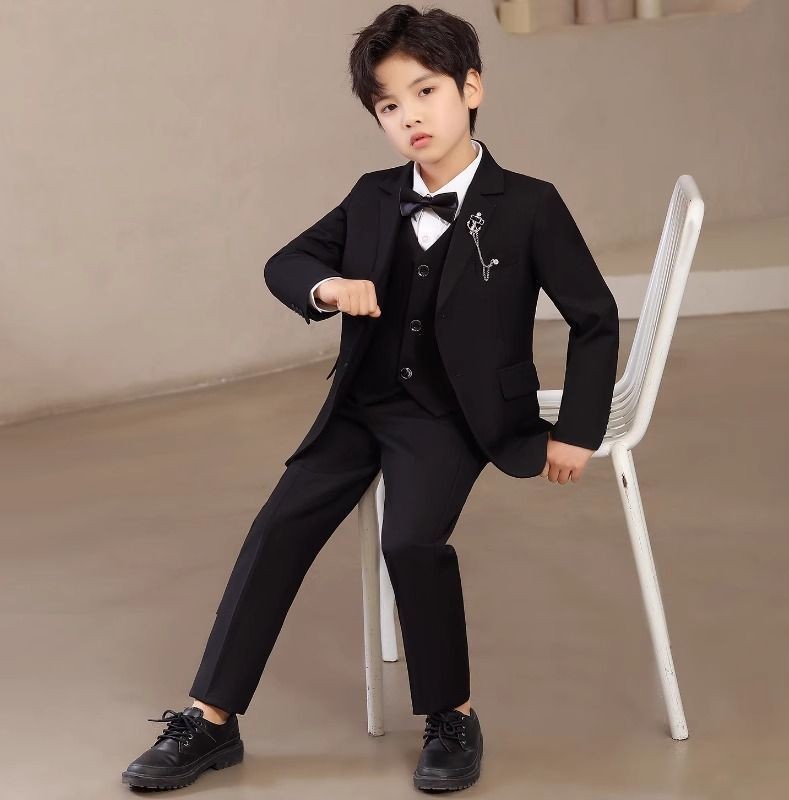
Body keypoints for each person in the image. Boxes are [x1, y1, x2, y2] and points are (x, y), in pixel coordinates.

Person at [122, 3, 619, 793]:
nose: (409, 117)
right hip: (362, 407)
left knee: (411, 541)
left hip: (453, 418)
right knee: (277, 528)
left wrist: (578, 430)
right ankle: (210, 720)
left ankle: (452, 715)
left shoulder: (528, 205)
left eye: (425, 92)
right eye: (389, 106)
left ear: (471, 88)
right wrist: (328, 287)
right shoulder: (372, 196)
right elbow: (287, 262)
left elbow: (594, 317)